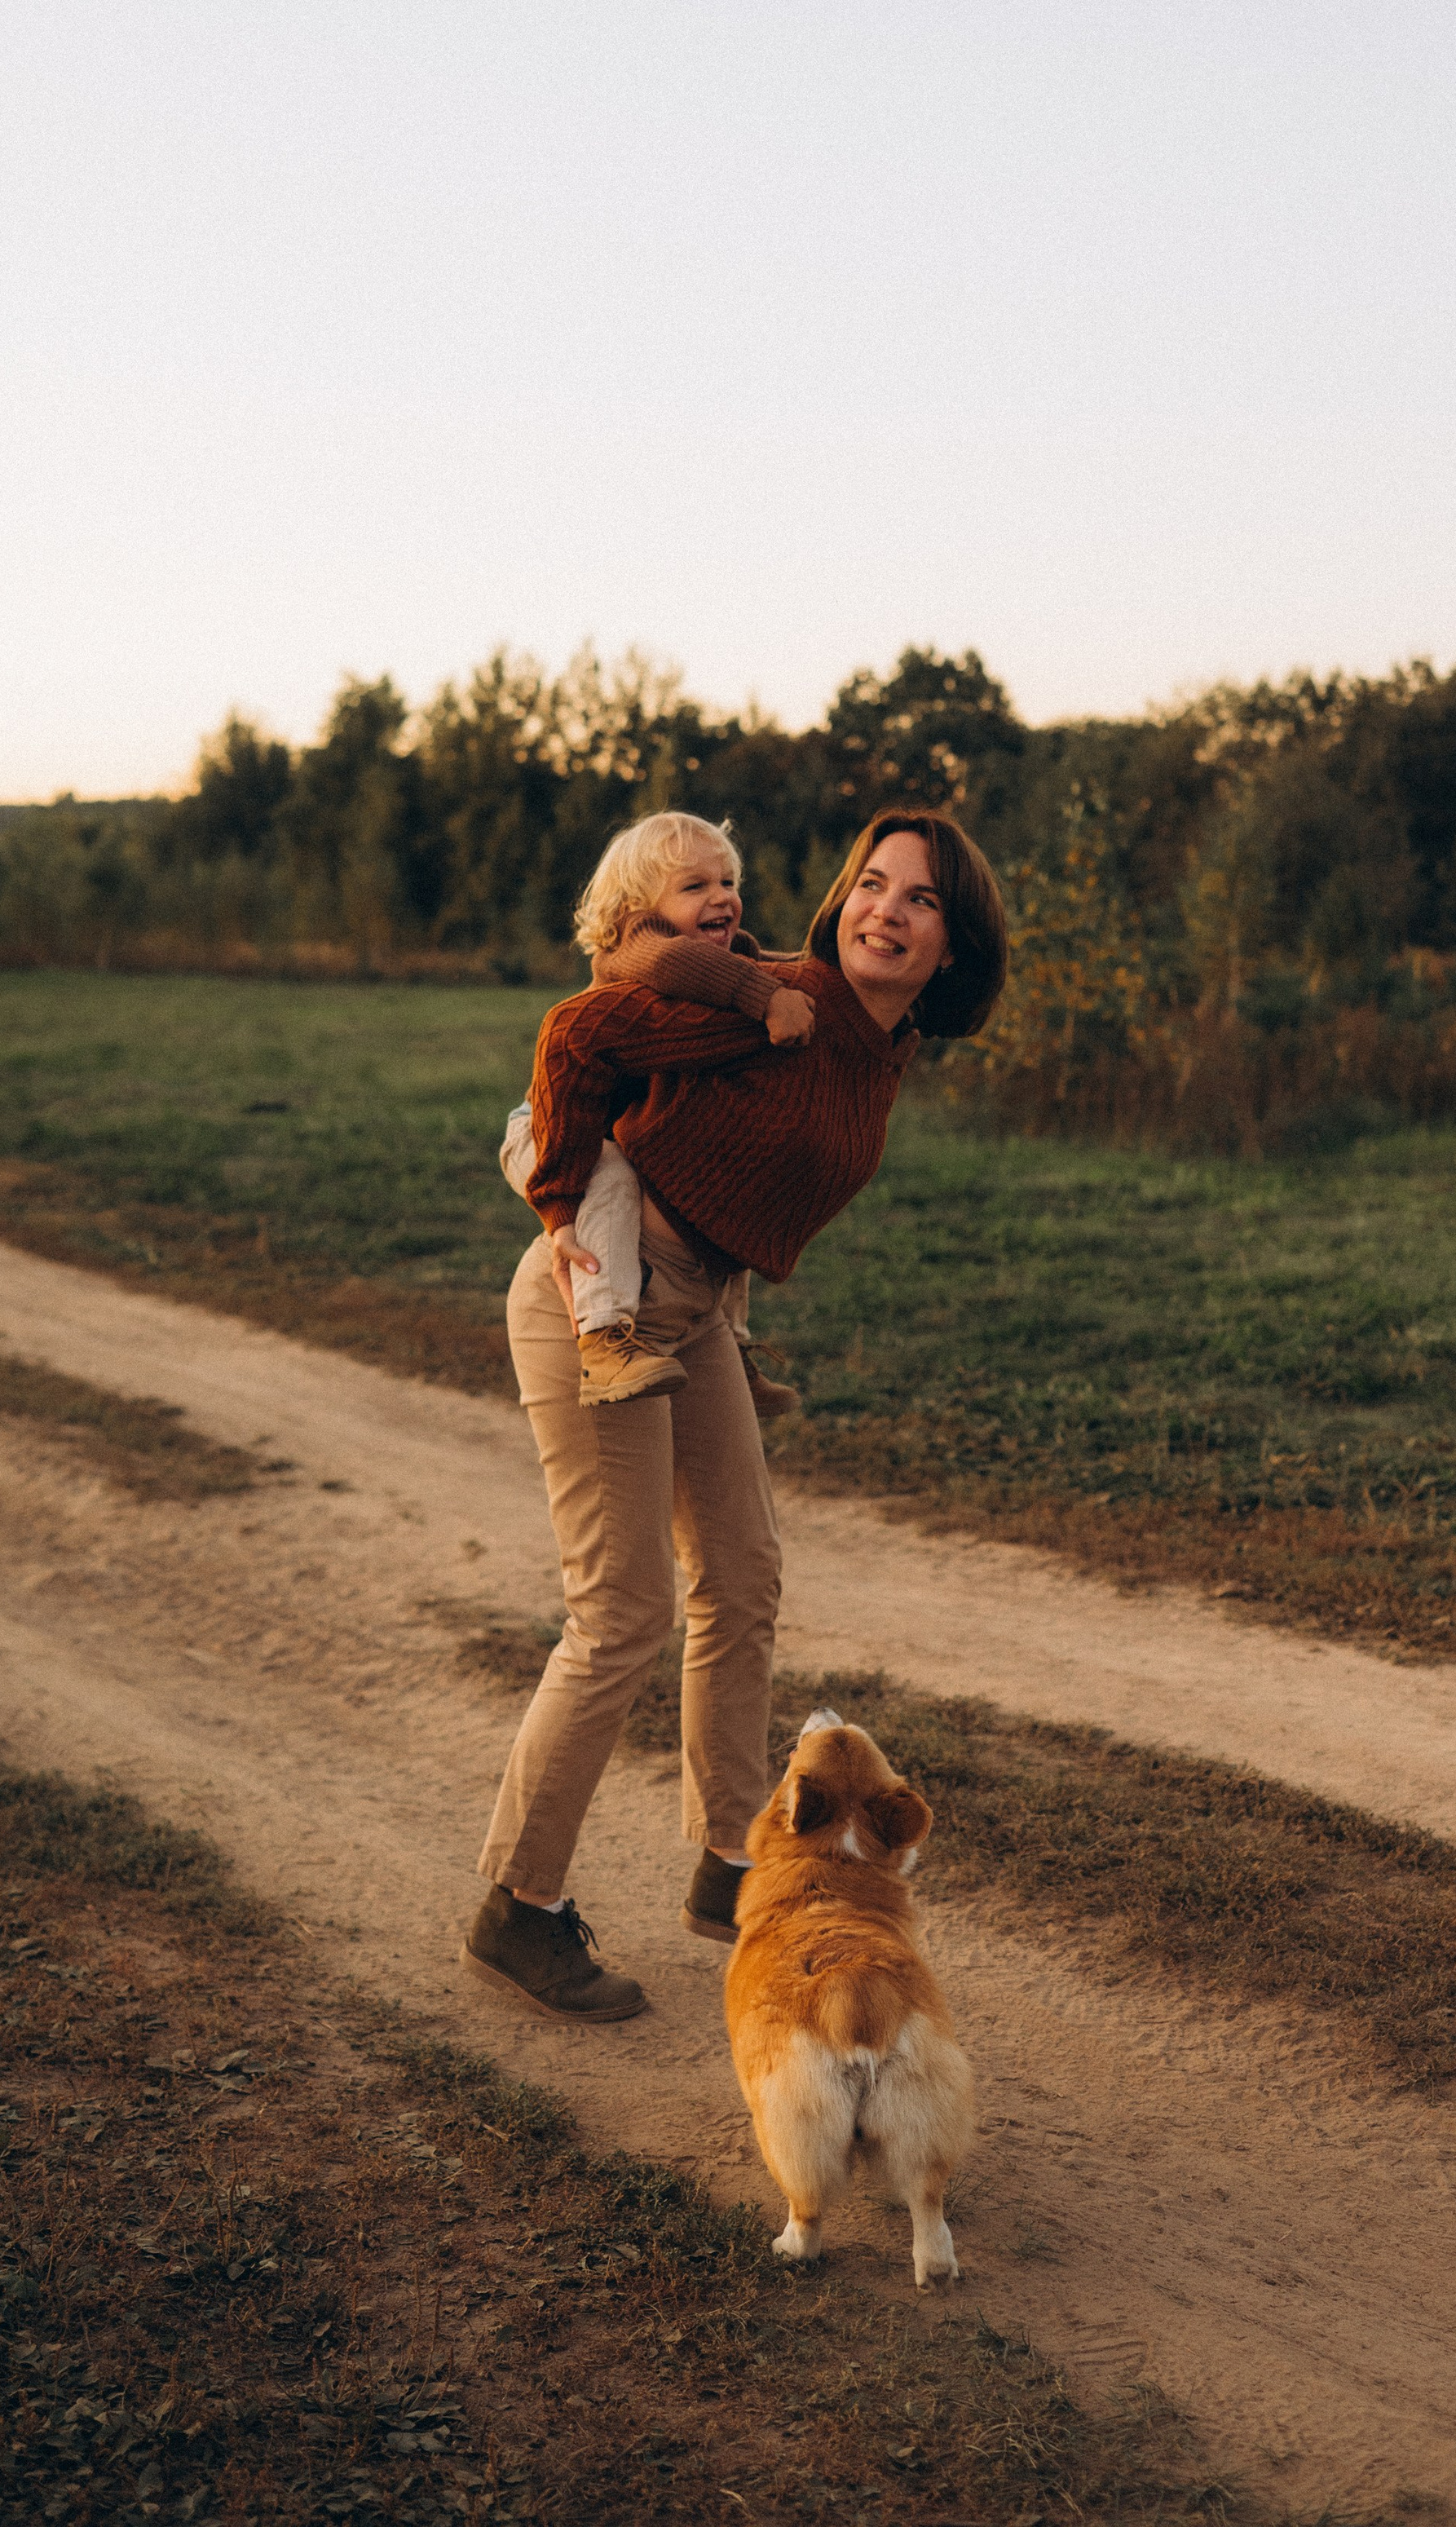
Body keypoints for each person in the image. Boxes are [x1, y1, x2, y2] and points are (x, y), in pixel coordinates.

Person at [461, 809, 1008, 2028]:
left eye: (918, 899)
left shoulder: (879, 1045)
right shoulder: (775, 995)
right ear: (840, 901)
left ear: (952, 945)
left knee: (745, 1572)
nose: (885, 909)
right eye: (870, 882)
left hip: (695, 1311)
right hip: (596, 1303)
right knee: (623, 1610)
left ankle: (730, 1859)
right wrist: (559, 1190)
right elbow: (586, 1021)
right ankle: (520, 1902)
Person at [497, 811, 811, 1411]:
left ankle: (736, 1350)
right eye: (695, 887)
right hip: (547, 1126)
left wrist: (829, 978)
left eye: (728, 882)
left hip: (598, 1125)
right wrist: (765, 996)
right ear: (639, 908)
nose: (722, 897)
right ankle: (604, 1340)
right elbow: (683, 968)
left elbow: (777, 964)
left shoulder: (724, 959)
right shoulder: (641, 946)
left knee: (721, 1186)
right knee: (609, 1172)